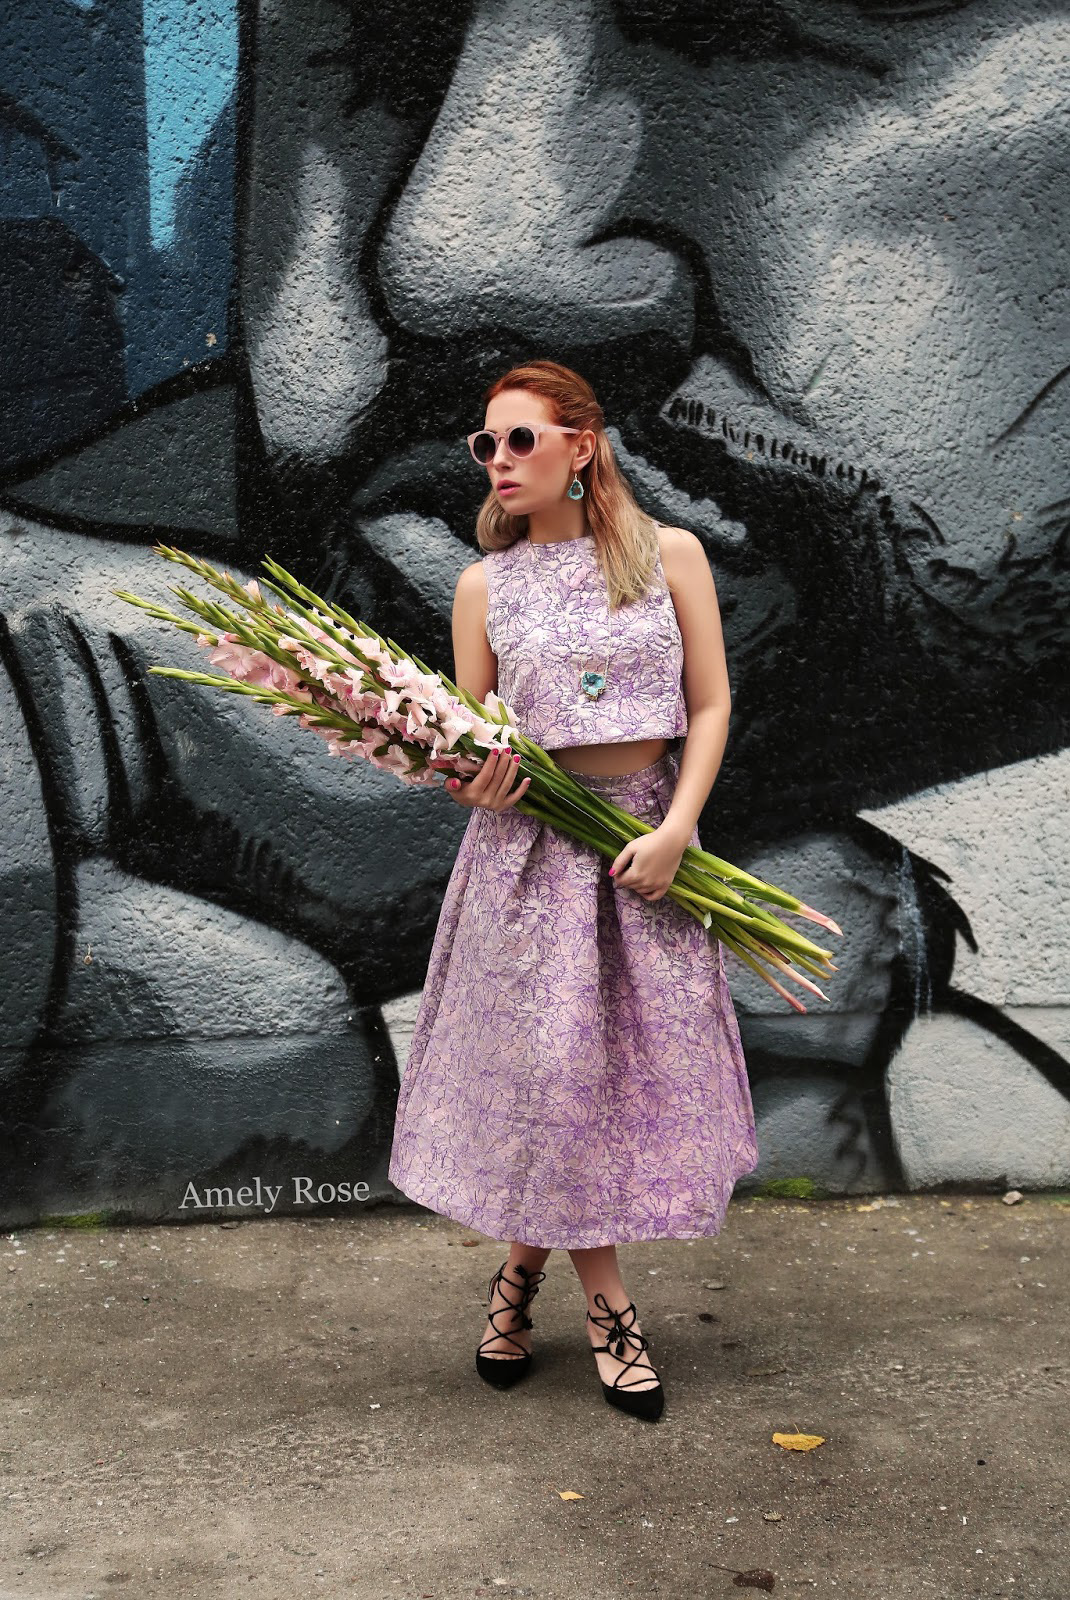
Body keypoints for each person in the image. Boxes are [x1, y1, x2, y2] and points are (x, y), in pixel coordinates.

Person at [388, 359, 759, 1421]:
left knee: (595, 1089)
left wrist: (677, 830)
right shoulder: (482, 586)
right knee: (552, 1084)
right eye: (485, 446)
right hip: (529, 865)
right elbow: (467, 752)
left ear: (580, 447)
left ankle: (516, 1281)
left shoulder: (667, 555)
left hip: (641, 850)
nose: (497, 462)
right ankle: (608, 1308)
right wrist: (483, 783)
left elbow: (710, 704)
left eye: (520, 441)